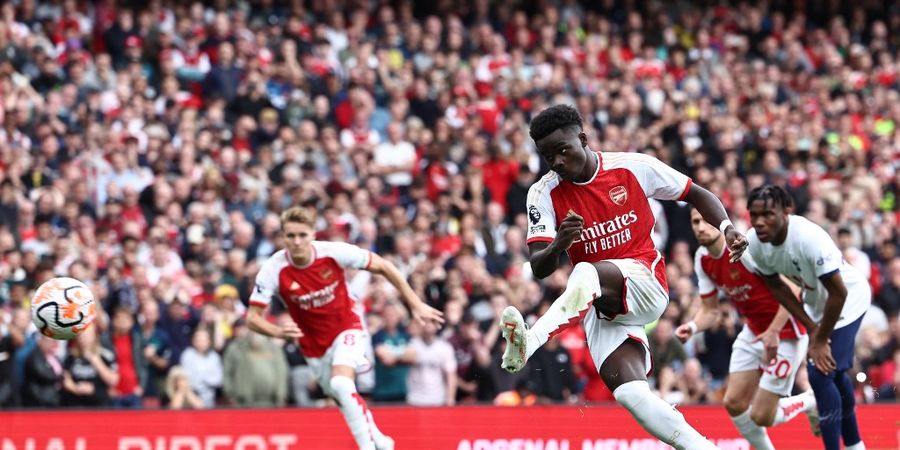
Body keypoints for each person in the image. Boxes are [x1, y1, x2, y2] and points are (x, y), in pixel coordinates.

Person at [500, 105, 747, 449]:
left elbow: (697, 194)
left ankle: (530, 341)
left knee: (586, 271)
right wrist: (560, 242)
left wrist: (727, 228)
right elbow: (540, 267)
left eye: (563, 150)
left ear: (583, 139)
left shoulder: (631, 167)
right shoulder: (543, 194)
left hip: (646, 282)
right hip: (603, 307)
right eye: (547, 156)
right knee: (632, 396)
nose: (556, 161)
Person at [247, 206, 443, 450]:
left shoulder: (333, 252)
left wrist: (415, 303)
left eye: (302, 235)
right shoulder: (273, 269)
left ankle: (367, 447)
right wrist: (277, 332)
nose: (296, 242)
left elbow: (383, 266)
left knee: (341, 384)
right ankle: (381, 440)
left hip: (347, 326)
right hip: (313, 344)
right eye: (290, 236)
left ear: (312, 235)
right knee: (342, 397)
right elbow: (252, 318)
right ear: (283, 237)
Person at [675, 207, 817, 449]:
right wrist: (692, 325)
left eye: (706, 221)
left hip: (787, 331)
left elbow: (793, 290)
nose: (700, 227)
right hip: (754, 330)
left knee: (763, 415)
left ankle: (811, 401)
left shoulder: (745, 249)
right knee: (734, 403)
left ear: (721, 223)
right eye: (695, 222)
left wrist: (773, 331)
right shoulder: (703, 258)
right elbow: (710, 310)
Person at [745, 185, 870, 450]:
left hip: (848, 303)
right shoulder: (755, 243)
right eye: (754, 215)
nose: (759, 222)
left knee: (820, 373)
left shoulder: (810, 238)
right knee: (834, 374)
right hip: (817, 306)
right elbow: (776, 286)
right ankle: (855, 445)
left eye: (768, 214)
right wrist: (812, 327)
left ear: (786, 211)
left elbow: (838, 292)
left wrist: (820, 337)